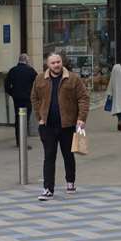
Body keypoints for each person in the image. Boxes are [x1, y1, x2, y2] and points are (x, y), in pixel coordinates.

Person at [31, 51, 88, 201]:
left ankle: (70, 182)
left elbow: (83, 98)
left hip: (67, 125)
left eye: (58, 62)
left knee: (68, 155)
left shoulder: (73, 78)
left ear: (62, 62)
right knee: (49, 157)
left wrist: (81, 118)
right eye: (53, 63)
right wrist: (40, 117)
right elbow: (34, 98)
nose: (56, 65)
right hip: (47, 125)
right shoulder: (40, 79)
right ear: (47, 65)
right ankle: (48, 189)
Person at [4, 53, 37, 151]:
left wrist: (13, 93)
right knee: (25, 120)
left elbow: (6, 85)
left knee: (18, 119)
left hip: (17, 99)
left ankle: (18, 141)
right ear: (26, 61)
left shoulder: (13, 71)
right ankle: (24, 142)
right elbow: (38, 84)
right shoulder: (31, 71)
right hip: (27, 99)